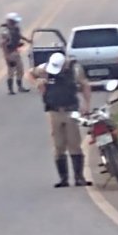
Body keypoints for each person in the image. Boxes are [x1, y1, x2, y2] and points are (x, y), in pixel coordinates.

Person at [28, 52, 92, 187]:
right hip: (53, 111)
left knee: (74, 144)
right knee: (58, 146)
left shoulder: (75, 70)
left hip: (70, 110)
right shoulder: (45, 69)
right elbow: (28, 74)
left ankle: (79, 177)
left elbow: (85, 85)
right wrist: (37, 83)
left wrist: (86, 104)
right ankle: (63, 178)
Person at [0, 12, 32, 95]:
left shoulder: (15, 29)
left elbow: (19, 36)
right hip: (10, 53)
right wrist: (7, 58)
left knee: (20, 70)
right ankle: (10, 90)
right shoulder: (5, 32)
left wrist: (27, 40)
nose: (16, 23)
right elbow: (3, 45)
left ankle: (20, 87)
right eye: (14, 21)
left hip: (15, 51)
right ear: (10, 21)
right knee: (11, 71)